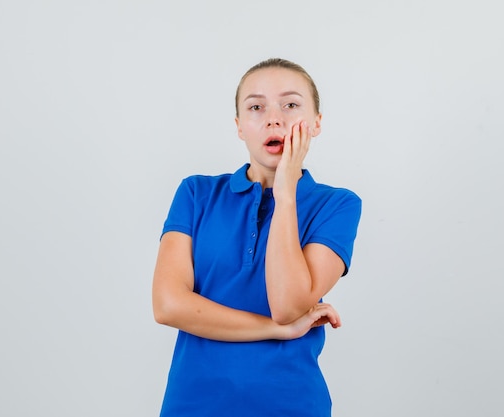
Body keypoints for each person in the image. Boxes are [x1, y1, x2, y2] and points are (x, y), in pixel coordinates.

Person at [152, 58, 362, 417]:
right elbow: (168, 305)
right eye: (256, 107)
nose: (273, 118)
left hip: (291, 404)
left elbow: (288, 306)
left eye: (291, 105)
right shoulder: (196, 194)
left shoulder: (337, 204)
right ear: (239, 126)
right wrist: (274, 330)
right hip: (192, 404)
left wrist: (285, 193)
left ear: (316, 124)